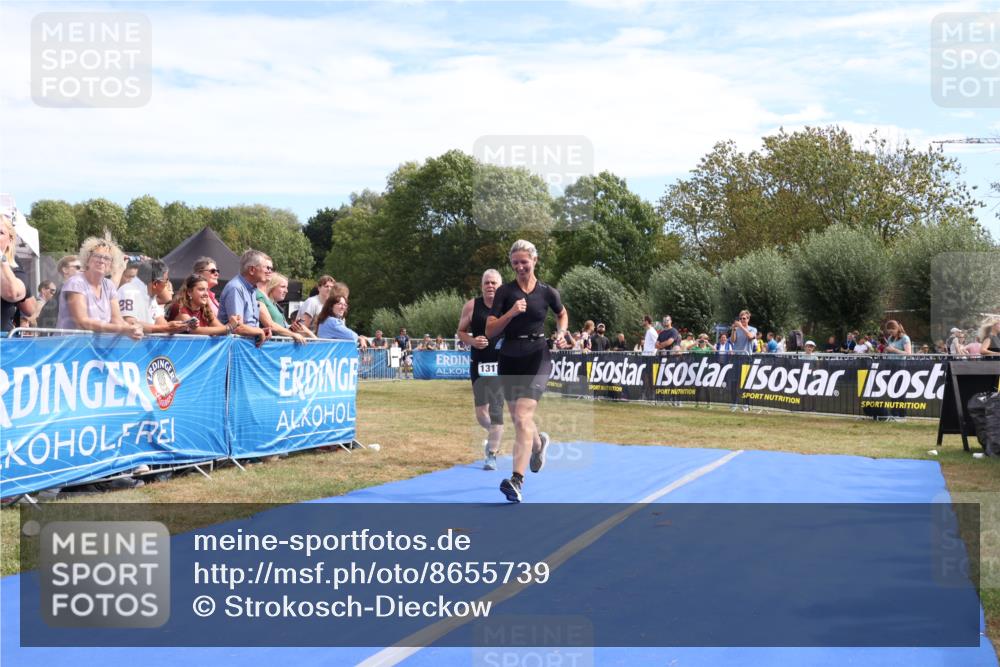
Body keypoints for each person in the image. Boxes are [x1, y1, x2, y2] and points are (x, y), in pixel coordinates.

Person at [486, 239, 569, 503]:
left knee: (522, 416)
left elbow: (562, 313)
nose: (520, 267)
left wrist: (561, 333)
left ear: (535, 261)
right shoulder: (504, 293)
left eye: (524, 262)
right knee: (518, 418)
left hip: (537, 355)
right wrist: (510, 313)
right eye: (515, 263)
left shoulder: (547, 292)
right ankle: (538, 445)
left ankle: (516, 480)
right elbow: (490, 330)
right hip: (509, 355)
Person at [457, 268, 506, 470]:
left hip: (501, 365)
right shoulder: (471, 306)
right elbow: (460, 332)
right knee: (481, 414)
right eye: (487, 282)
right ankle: (497, 432)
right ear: (481, 286)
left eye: (494, 283)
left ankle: (491, 455)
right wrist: (472, 341)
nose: (490, 286)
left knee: (496, 412)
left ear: (500, 286)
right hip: (478, 364)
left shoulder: (507, 306)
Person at [57, 236, 142, 339]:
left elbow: (117, 320)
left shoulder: (109, 285)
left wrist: (133, 329)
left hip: (97, 348)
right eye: (97, 256)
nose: (101, 261)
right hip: (71, 348)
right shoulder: (75, 283)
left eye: (107, 258)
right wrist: (123, 330)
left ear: (111, 264)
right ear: (87, 259)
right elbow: (83, 322)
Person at [118, 259, 194, 335]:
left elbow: (161, 323)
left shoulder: (150, 292)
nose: (167, 284)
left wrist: (180, 326)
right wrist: (166, 328)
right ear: (155, 284)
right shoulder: (128, 292)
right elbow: (130, 324)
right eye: (166, 280)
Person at [217, 249, 273, 347]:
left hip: (244, 347)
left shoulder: (251, 289)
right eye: (265, 267)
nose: (268, 271)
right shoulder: (236, 288)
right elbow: (237, 328)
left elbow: (247, 325)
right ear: (252, 270)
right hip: (233, 350)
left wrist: (261, 331)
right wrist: (259, 331)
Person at [167, 274, 242, 335]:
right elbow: (195, 331)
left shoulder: (204, 308)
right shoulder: (179, 307)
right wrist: (229, 326)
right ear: (189, 292)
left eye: (207, 290)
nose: (206, 294)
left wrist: (233, 323)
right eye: (201, 289)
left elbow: (221, 329)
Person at [256, 272, 306, 343]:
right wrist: (293, 334)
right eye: (283, 287)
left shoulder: (275, 305)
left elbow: (281, 329)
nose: (286, 291)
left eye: (286, 287)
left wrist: (291, 328)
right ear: (272, 286)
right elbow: (270, 325)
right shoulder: (260, 298)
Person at [0, 214, 28, 333]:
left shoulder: (14, 267)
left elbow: (12, 294)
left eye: (0, 232)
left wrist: (1, 260)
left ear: (10, 239)